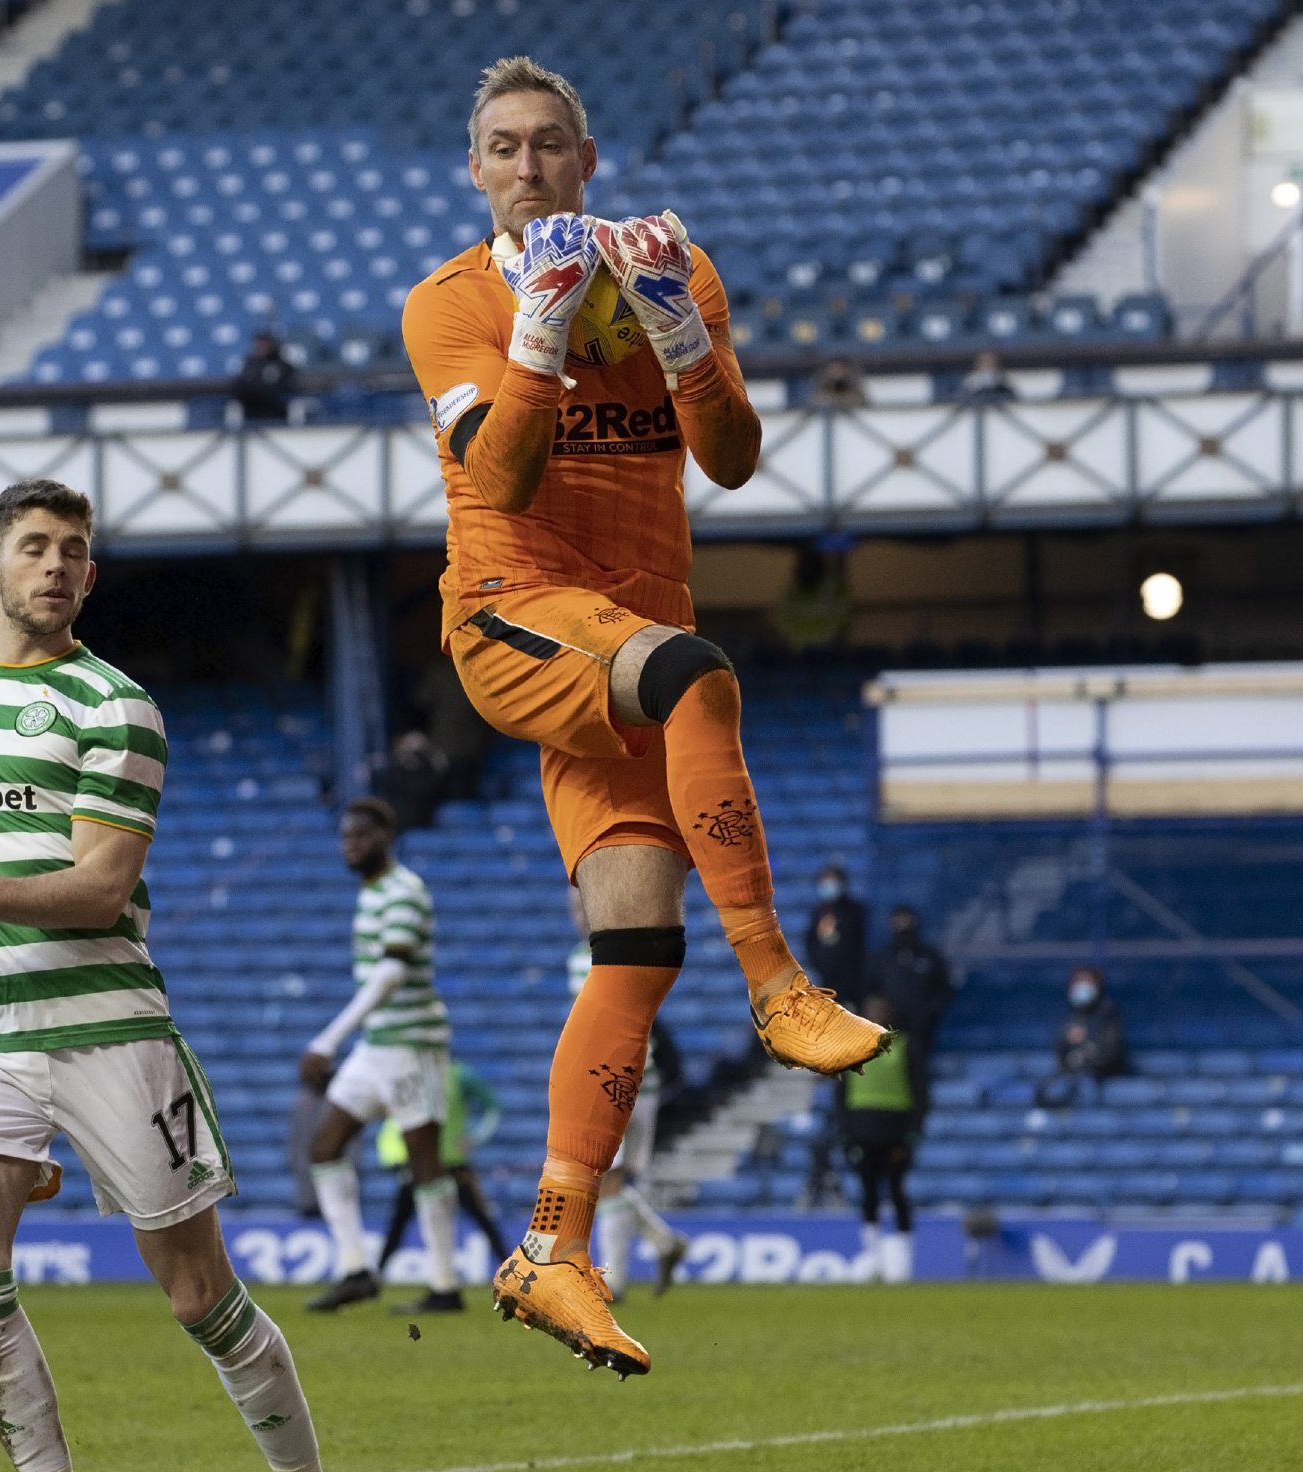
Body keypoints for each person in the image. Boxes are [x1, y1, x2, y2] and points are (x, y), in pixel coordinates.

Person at [401, 54, 890, 1378]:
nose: (526, 168)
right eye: (501, 147)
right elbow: (497, 475)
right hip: (518, 610)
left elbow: (729, 457)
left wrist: (679, 329)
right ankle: (781, 988)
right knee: (700, 675)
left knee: (631, 950)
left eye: (549, 144)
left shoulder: (677, 264)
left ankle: (555, 1245)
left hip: (628, 643)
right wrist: (543, 331)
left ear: (589, 158)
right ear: (475, 169)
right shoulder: (448, 305)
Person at [0, 479, 321, 1472]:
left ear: (93, 575)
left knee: (202, 1297)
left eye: (73, 548)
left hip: (110, 1026)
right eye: (34, 545)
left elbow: (99, 887)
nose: (56, 563)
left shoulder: (118, 705)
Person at [301, 796, 462, 1315]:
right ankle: (355, 1269)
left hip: (412, 1046)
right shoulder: (373, 894)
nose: (351, 846)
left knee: (424, 1163)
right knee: (325, 1147)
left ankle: (445, 1284)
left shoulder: (404, 891)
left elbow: (392, 972)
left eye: (361, 837)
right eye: (346, 838)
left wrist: (329, 1039)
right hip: (377, 1047)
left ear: (386, 838)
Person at [565, 890, 688, 1302]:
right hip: (642, 1080)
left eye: (584, 906)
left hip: (615, 1079)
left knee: (606, 1180)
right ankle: (662, 1240)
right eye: (574, 908)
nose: (579, 915)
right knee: (619, 1179)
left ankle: (614, 1281)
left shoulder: (591, 958)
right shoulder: (624, 951)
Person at [373, 1057, 510, 1275]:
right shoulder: (411, 1078)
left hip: (452, 1164)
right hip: (420, 1163)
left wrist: (475, 1137)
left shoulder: (459, 1075)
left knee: (482, 1220)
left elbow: (492, 1107)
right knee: (398, 1220)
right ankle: (376, 1275)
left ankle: (511, 1270)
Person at [835, 996, 926, 1283]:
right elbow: (842, 1094)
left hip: (895, 1131)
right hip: (862, 1131)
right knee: (869, 1193)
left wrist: (912, 1131)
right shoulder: (852, 1047)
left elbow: (920, 1091)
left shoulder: (904, 1047)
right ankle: (873, 1258)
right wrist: (846, 1132)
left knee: (897, 1192)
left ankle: (902, 1262)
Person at [866, 905, 955, 1067]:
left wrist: (930, 1012)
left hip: (922, 1029)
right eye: (899, 921)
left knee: (918, 1068)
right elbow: (870, 991)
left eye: (907, 921)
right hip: (889, 1031)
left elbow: (944, 989)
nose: (903, 926)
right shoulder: (882, 959)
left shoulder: (929, 956)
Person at [1035, 965, 1129, 1108]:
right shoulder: (1070, 1017)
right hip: (1072, 1076)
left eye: (1086, 982)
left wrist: (1086, 1043)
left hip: (1100, 1078)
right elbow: (1060, 1055)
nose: (1082, 987)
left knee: (1085, 1088)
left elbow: (1111, 1053)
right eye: (1078, 982)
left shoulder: (1108, 1014)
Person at [802, 863, 869, 1012]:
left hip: (853, 983)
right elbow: (810, 942)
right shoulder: (818, 912)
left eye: (833, 880)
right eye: (825, 880)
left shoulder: (856, 911)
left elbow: (861, 945)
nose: (829, 885)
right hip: (825, 981)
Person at [232, 329, 297, 423]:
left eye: (265, 344)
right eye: (259, 344)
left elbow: (284, 387)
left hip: (277, 412)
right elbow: (239, 386)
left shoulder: (282, 365)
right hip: (251, 411)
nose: (261, 347)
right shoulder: (250, 364)